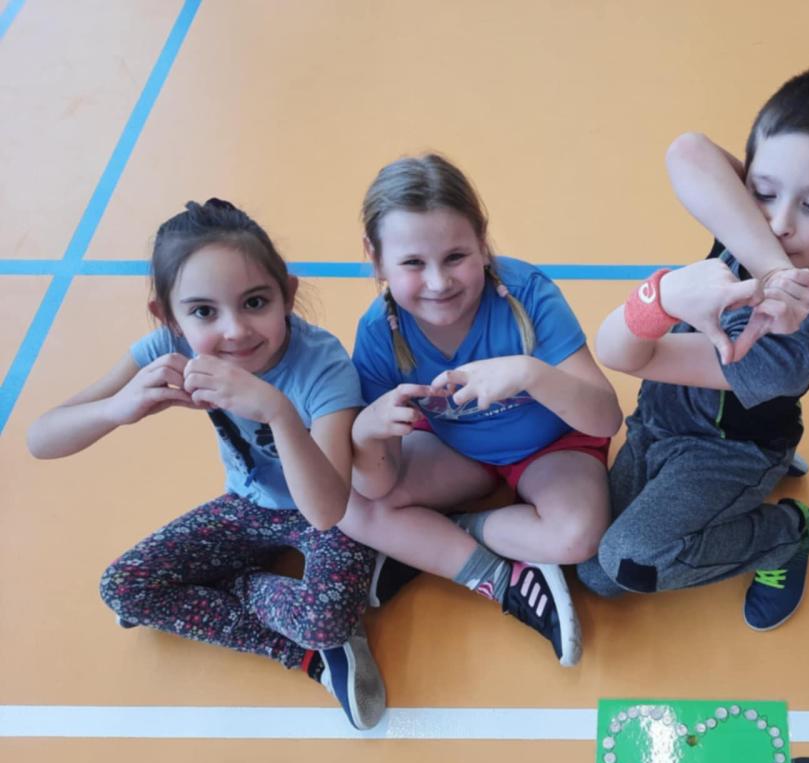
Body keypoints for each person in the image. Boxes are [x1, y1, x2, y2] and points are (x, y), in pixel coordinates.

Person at [26, 199, 385, 730]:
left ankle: (254, 593)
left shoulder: (322, 365)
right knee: (124, 589)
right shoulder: (169, 346)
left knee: (324, 617)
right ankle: (305, 655)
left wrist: (278, 412)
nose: (235, 330)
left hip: (328, 514)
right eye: (203, 312)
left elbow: (328, 510)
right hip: (246, 505)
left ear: (287, 294)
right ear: (169, 317)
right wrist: (116, 409)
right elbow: (40, 438)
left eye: (255, 302)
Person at [577, 69, 809, 631]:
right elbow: (687, 151)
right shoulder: (756, 230)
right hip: (657, 424)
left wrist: (663, 296)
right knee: (590, 571)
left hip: (727, 452)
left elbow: (625, 354)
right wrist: (770, 267)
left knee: (627, 563)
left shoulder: (791, 348)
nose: (779, 223)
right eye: (763, 192)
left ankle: (785, 536)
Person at [342, 154, 622, 667]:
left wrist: (530, 373)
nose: (438, 282)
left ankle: (449, 536)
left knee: (578, 536)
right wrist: (367, 433)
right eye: (412, 263)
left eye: (455, 257)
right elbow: (376, 485)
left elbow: (606, 418)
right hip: (457, 450)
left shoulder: (527, 294)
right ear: (375, 258)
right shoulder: (380, 332)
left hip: (553, 447)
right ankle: (498, 575)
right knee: (346, 505)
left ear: (483, 242)